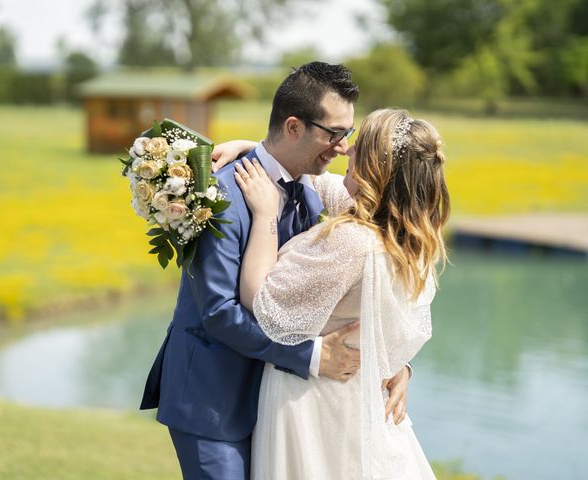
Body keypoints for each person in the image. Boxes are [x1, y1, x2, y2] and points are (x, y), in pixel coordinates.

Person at [139, 62, 413, 479]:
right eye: (334, 133)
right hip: (215, 403)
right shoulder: (221, 195)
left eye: (348, 135)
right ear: (292, 127)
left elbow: (360, 289)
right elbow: (219, 313)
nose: (342, 148)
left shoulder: (316, 194)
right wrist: (313, 357)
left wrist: (395, 363)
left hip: (282, 409)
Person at [229, 108, 450, 479]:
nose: (345, 151)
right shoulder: (404, 238)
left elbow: (261, 300)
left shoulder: (353, 241)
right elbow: (322, 182)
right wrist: (258, 150)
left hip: (311, 405)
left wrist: (266, 213)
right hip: (356, 399)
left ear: (377, 168)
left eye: (359, 145)